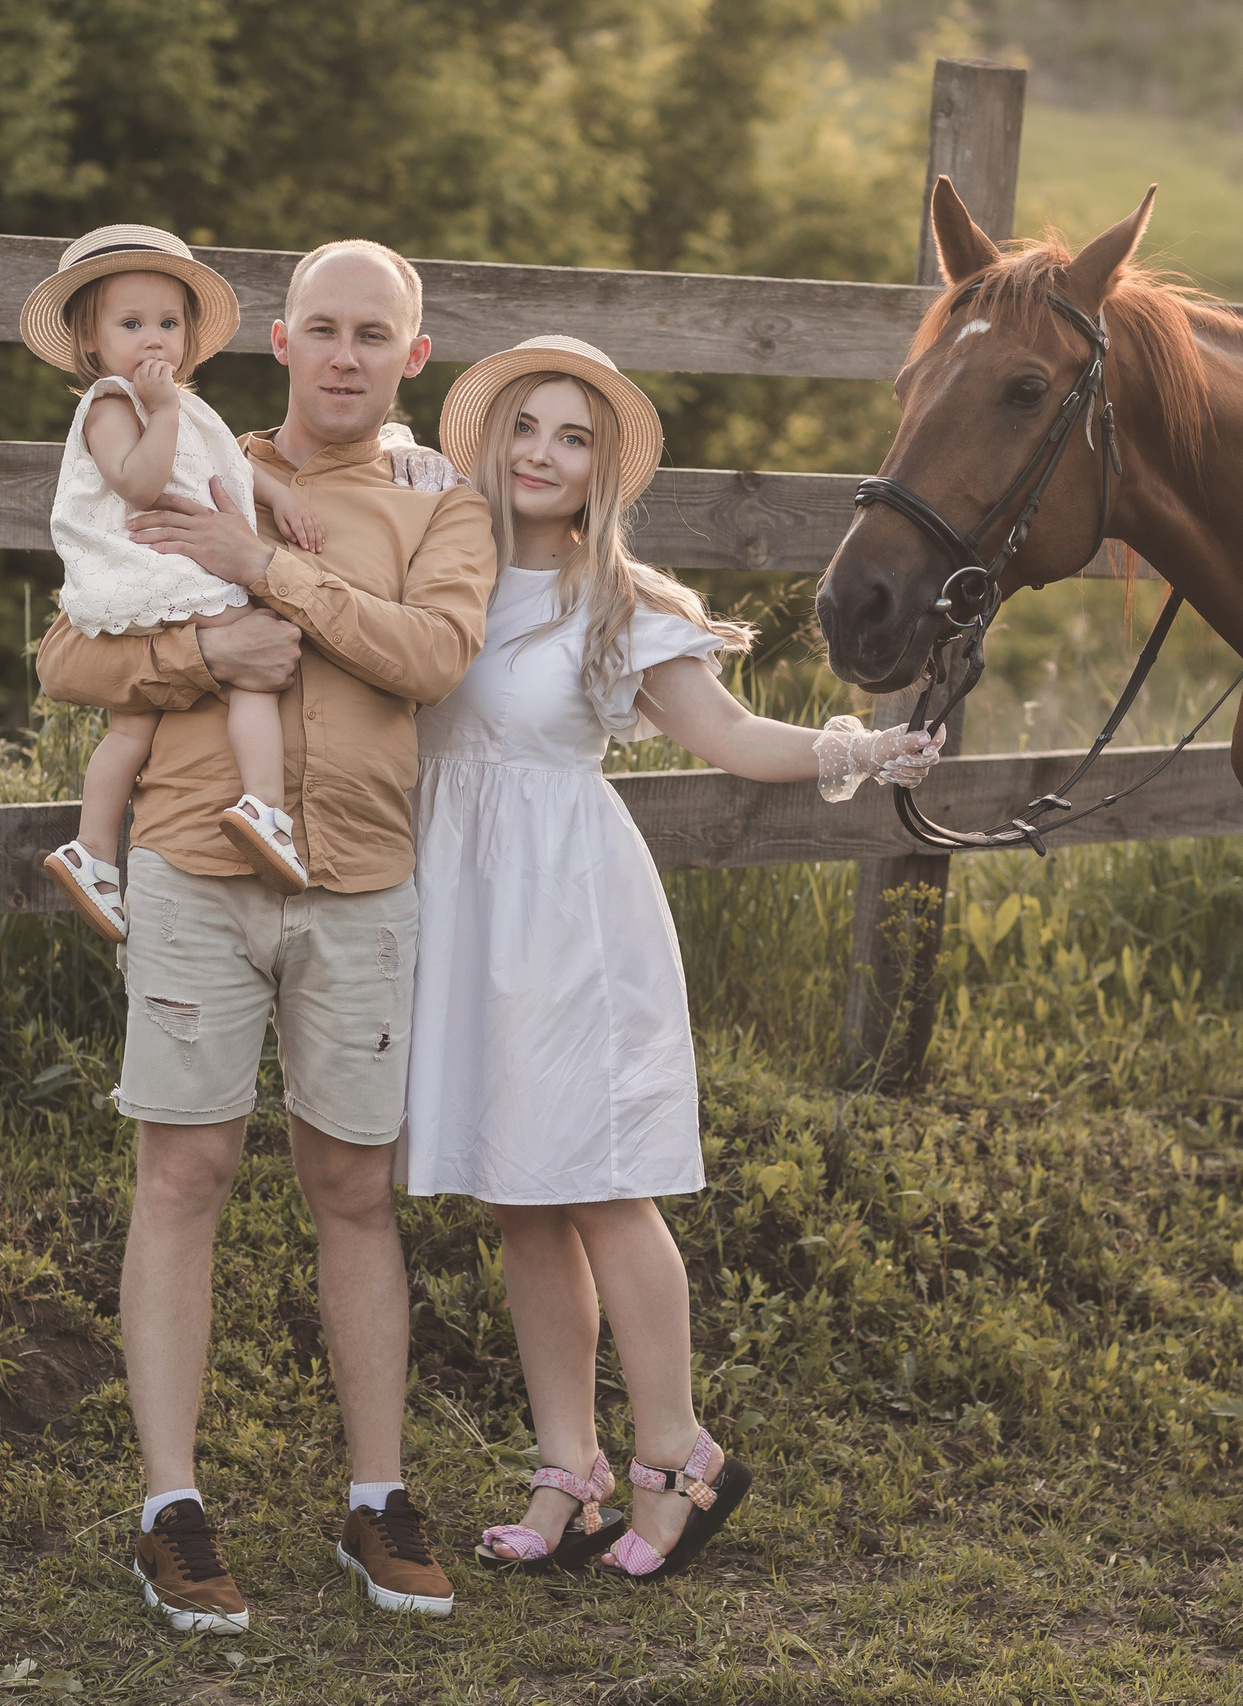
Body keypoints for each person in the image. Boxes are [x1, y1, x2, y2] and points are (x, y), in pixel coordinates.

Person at [403, 335, 938, 1581]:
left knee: (598, 1182)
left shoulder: (621, 603)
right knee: (518, 1190)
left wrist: (859, 749)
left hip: (567, 912)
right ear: (486, 441)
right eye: (524, 426)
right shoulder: (437, 570)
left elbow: (732, 734)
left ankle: (675, 1450)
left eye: (573, 437)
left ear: (602, 471)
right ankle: (567, 1468)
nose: (542, 453)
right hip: (463, 907)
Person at [35, 237, 493, 1633]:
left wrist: (266, 573)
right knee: (185, 1170)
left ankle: (376, 1495)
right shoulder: (191, 458)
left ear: (413, 357)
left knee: (353, 1182)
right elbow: (66, 653)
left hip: (359, 876)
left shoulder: (440, 507)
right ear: (281, 342)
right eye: (323, 328)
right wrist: (204, 650)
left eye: (374, 333)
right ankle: (170, 1506)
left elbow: (430, 657)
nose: (346, 354)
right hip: (193, 862)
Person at [26, 225, 333, 933]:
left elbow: (227, 464)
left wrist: (280, 496)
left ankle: (92, 851)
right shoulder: (111, 404)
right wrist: (161, 410)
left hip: (171, 571)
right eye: (131, 325)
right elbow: (138, 484)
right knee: (257, 665)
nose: (154, 341)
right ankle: (266, 808)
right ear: (91, 338)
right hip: (154, 570)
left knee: (132, 726)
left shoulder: (186, 409)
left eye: (168, 324)